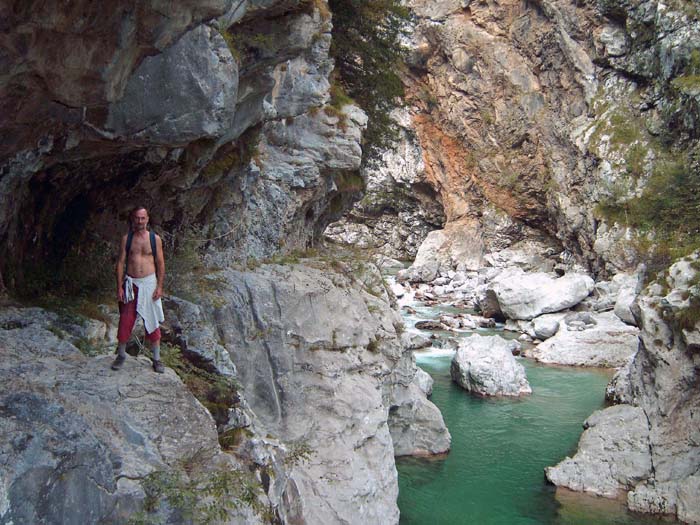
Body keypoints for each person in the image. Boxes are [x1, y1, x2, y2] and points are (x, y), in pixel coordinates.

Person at [111, 206, 166, 373]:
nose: (140, 221)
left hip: (149, 283)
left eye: (143, 218)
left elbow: (160, 263)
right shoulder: (127, 239)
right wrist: (119, 286)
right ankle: (121, 355)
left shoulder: (154, 239)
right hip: (131, 283)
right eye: (137, 218)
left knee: (152, 321)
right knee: (126, 319)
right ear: (133, 219)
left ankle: (156, 359)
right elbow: (120, 262)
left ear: (147, 219)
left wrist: (159, 286)